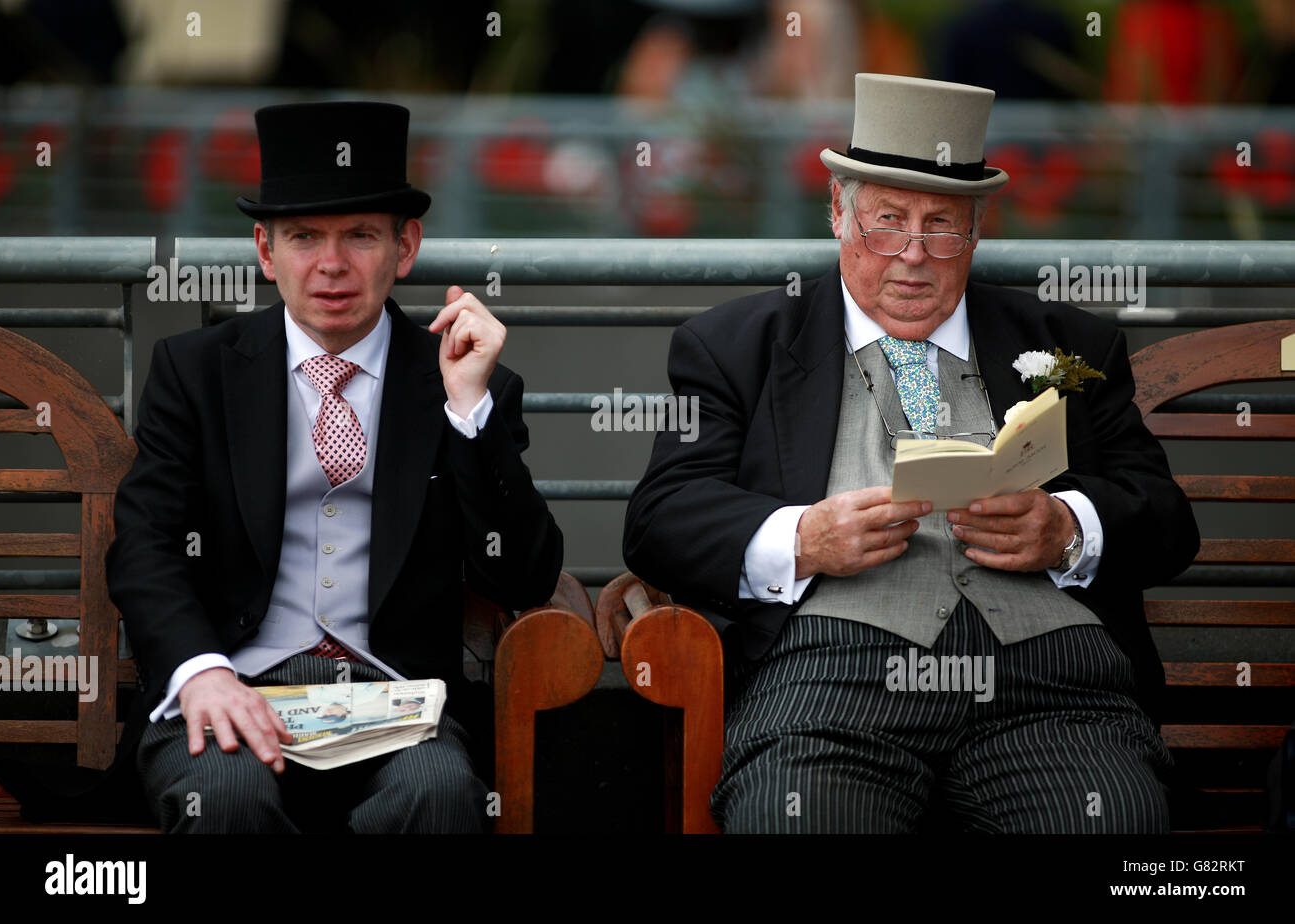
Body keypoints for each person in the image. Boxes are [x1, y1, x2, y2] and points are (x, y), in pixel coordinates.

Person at [623, 74, 1200, 833]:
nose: (915, 257)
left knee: (1112, 822)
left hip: (1050, 692)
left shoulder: (1066, 342)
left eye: (943, 226)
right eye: (888, 222)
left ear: (978, 229)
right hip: (832, 688)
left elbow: (1165, 521)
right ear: (837, 212)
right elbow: (661, 518)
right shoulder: (738, 347)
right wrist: (803, 538)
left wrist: (1066, 527)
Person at [106, 101, 563, 833]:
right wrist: (202, 672)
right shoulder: (197, 372)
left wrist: (469, 413)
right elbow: (145, 544)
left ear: (405, 247)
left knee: (439, 797)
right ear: (265, 250)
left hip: (394, 703)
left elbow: (523, 576)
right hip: (235, 681)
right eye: (303, 237)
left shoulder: (464, 382)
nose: (331, 264)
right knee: (224, 801)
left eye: (360, 236)